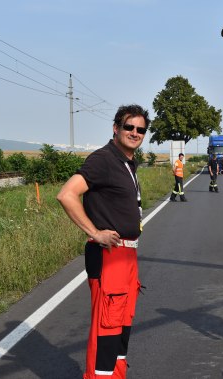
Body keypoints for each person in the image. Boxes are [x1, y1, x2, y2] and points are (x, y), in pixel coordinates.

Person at [56, 104, 150, 379]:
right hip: (109, 256)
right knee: (106, 330)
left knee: (121, 329)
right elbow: (66, 195)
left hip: (126, 257)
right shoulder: (104, 159)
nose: (135, 132)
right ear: (116, 128)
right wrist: (95, 233)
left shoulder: (127, 162)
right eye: (129, 127)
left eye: (140, 129)